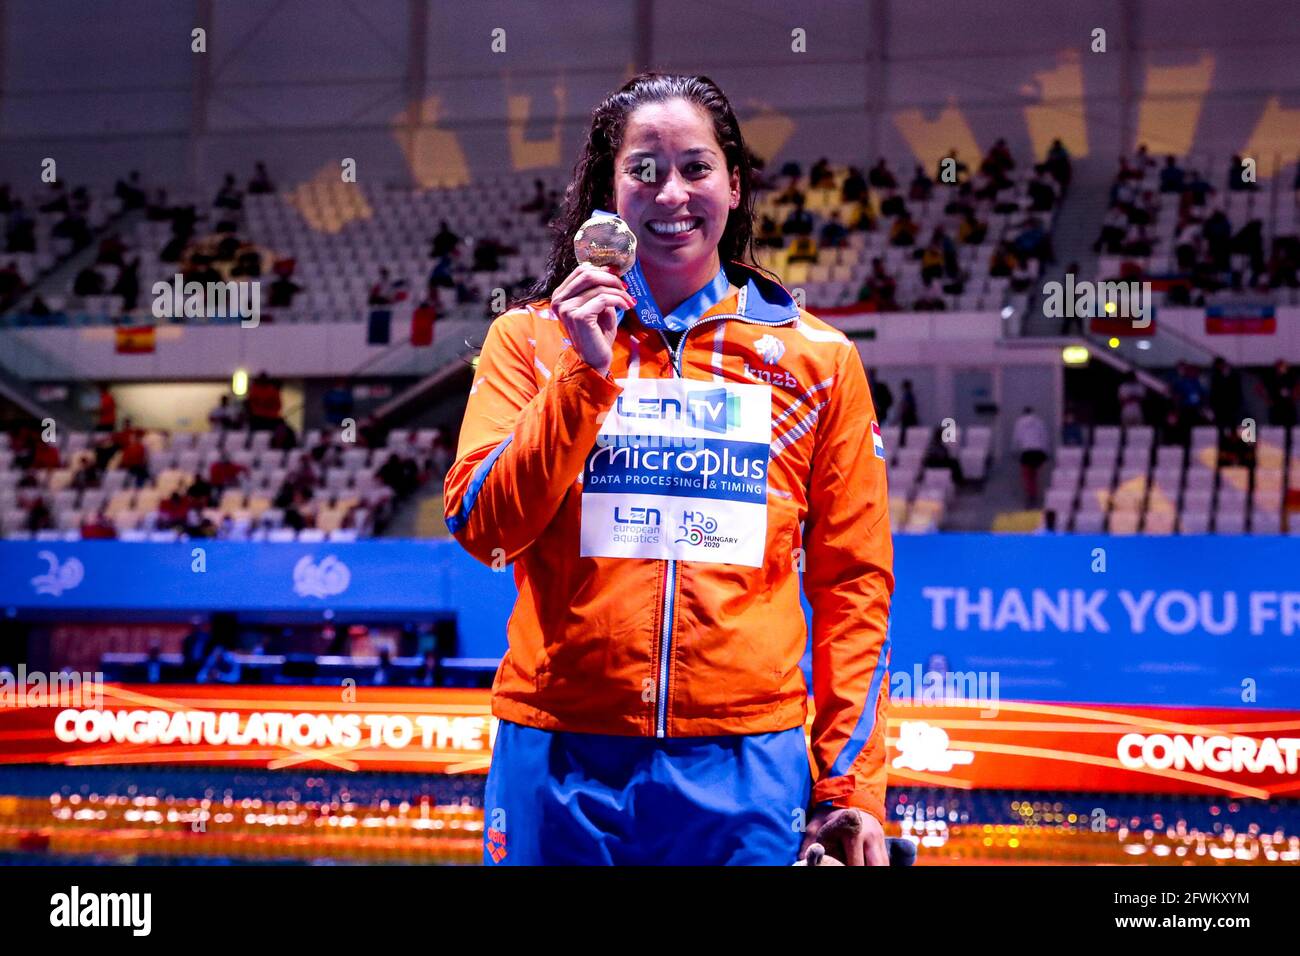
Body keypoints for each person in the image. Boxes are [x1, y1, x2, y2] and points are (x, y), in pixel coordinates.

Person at [443, 73, 893, 867]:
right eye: (643, 170)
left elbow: (852, 583)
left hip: (748, 765)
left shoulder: (818, 360)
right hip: (558, 756)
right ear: (608, 191)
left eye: (696, 167)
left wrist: (848, 791)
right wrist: (584, 378)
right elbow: (484, 526)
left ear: (734, 183)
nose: (671, 192)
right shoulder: (529, 340)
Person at [1012, 406, 1050, 507]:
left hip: (1027, 452)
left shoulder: (1019, 422)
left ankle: (1030, 497)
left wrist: (1015, 451)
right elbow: (1045, 437)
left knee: (1027, 476)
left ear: (1024, 413)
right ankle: (1035, 495)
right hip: (1038, 452)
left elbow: (1017, 438)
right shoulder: (1040, 422)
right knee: (1035, 476)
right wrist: (1046, 452)